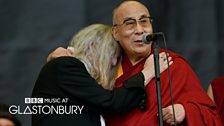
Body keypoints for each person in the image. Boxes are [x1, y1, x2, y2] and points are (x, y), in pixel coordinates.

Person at [47, 1, 222, 125]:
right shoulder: (108, 67)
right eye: (130, 24)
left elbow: (211, 115)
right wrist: (68, 56)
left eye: (144, 21)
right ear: (116, 33)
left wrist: (186, 110)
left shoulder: (171, 64)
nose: (139, 30)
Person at [32, 24, 172, 126]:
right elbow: (111, 102)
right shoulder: (66, 65)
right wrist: (147, 73)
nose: (114, 62)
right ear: (93, 47)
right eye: (113, 54)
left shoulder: (67, 70)